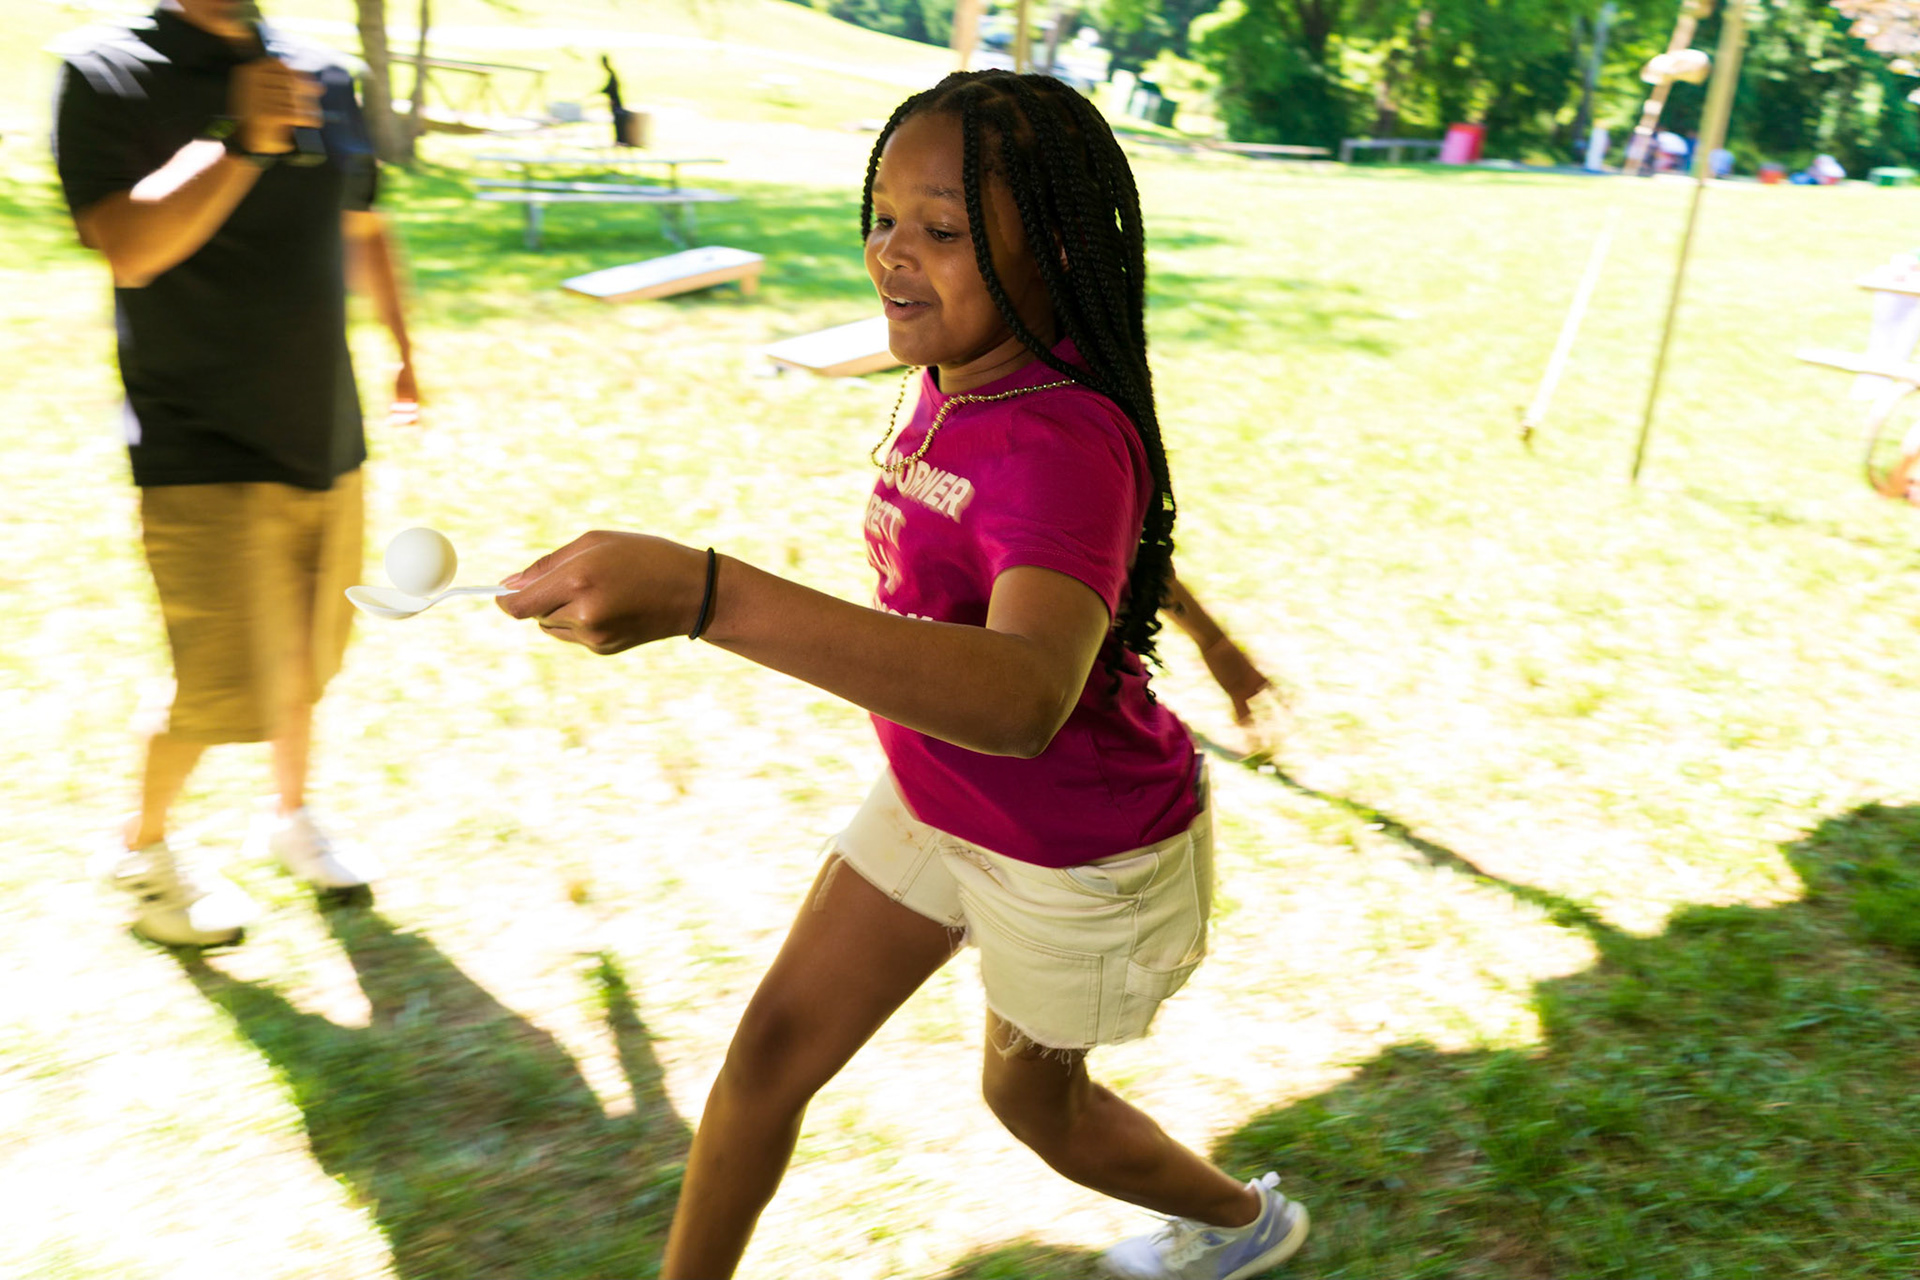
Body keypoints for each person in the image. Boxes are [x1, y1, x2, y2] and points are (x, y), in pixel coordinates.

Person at [498, 70, 1308, 1280]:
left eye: (942, 231)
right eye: (881, 218)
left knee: (1033, 1103)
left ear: (1055, 252)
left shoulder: (1064, 428)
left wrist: (709, 596)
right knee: (770, 1054)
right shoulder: (964, 374)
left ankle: (1248, 1221)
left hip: (1075, 845)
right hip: (938, 788)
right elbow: (1092, 558)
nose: (891, 255)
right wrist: (1209, 635)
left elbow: (1029, 690)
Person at [54, 0, 417, 946]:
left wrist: (405, 350)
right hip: (199, 438)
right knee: (216, 680)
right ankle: (140, 855)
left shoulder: (324, 70)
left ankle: (289, 817)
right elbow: (127, 249)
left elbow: (363, 222)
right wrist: (243, 143)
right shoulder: (106, 70)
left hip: (323, 427)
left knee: (308, 654)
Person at [600, 54, 635, 148]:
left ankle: (621, 140)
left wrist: (602, 91)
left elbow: (611, 87)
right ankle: (619, 140)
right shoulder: (611, 73)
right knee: (617, 122)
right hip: (614, 102)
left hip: (616, 103)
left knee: (619, 122)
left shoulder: (612, 74)